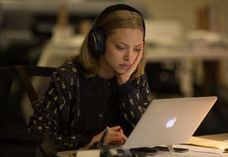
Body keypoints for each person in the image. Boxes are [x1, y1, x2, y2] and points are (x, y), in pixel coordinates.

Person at [28, 3, 152, 151]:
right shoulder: (69, 76)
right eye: (120, 47)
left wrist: (125, 86)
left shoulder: (134, 77)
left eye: (137, 49)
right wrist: (90, 141)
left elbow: (148, 135)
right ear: (97, 42)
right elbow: (36, 135)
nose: (129, 57)